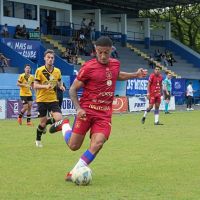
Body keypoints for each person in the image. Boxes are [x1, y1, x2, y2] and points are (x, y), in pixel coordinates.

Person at [49, 36, 148, 181]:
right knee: (73, 146)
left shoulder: (115, 64)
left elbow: (117, 75)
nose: (102, 56)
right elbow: (72, 89)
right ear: (95, 50)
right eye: (100, 52)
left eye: (106, 53)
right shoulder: (88, 67)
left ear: (111, 50)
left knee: (98, 143)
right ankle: (64, 125)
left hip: (104, 114)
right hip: (86, 111)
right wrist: (78, 109)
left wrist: (135, 74)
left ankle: (74, 172)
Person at [33, 49, 66, 147]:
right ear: (44, 58)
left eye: (52, 58)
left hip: (53, 99)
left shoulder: (57, 71)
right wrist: (45, 86)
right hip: (42, 100)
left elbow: (58, 82)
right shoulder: (39, 70)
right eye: (48, 57)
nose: (50, 59)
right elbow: (35, 85)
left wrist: (61, 86)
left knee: (59, 119)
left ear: (54, 59)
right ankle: (38, 140)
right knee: (42, 124)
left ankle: (46, 123)